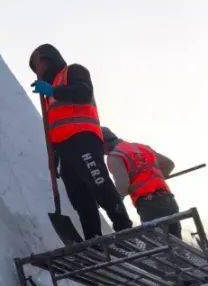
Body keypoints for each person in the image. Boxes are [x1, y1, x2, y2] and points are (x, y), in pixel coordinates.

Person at [29, 44, 132, 240]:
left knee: (98, 182)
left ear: (49, 59)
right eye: (35, 68)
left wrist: (53, 90)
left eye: (39, 64)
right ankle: (93, 239)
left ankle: (124, 227)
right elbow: (54, 127)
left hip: (83, 138)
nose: (39, 70)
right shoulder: (48, 96)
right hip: (65, 149)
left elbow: (83, 93)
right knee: (79, 196)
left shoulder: (73, 71)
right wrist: (55, 158)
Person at [101, 127, 179, 231]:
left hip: (149, 205)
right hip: (168, 199)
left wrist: (111, 201)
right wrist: (154, 179)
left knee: (158, 243)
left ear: (103, 143)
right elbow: (169, 164)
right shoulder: (141, 147)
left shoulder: (114, 156)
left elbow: (123, 187)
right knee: (176, 242)